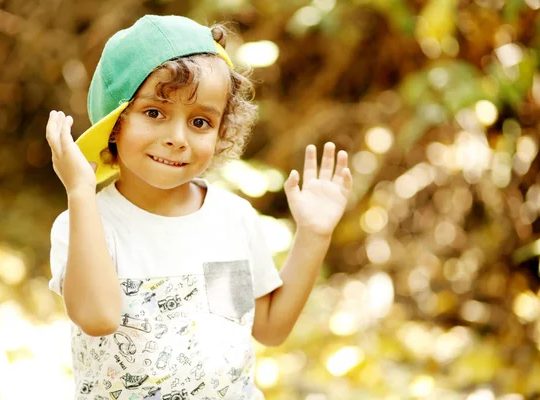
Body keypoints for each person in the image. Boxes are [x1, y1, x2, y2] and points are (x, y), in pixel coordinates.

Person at [46, 14, 353, 400]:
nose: (177, 138)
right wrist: (79, 192)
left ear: (222, 130)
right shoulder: (86, 223)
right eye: (154, 113)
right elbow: (98, 318)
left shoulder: (231, 219)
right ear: (115, 123)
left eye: (200, 121)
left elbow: (269, 328)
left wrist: (314, 235)